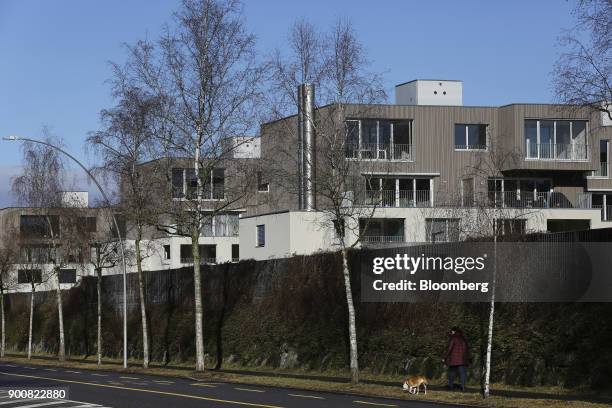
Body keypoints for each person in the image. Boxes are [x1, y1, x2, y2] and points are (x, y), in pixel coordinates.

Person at [443, 326, 468, 391]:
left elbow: (449, 349)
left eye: (452, 331)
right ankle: (463, 387)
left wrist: (445, 357)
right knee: (462, 374)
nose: (451, 332)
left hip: (454, 359)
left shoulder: (453, 338)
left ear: (454, 331)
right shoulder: (463, 338)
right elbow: (467, 349)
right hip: (462, 359)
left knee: (452, 373)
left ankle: (450, 386)